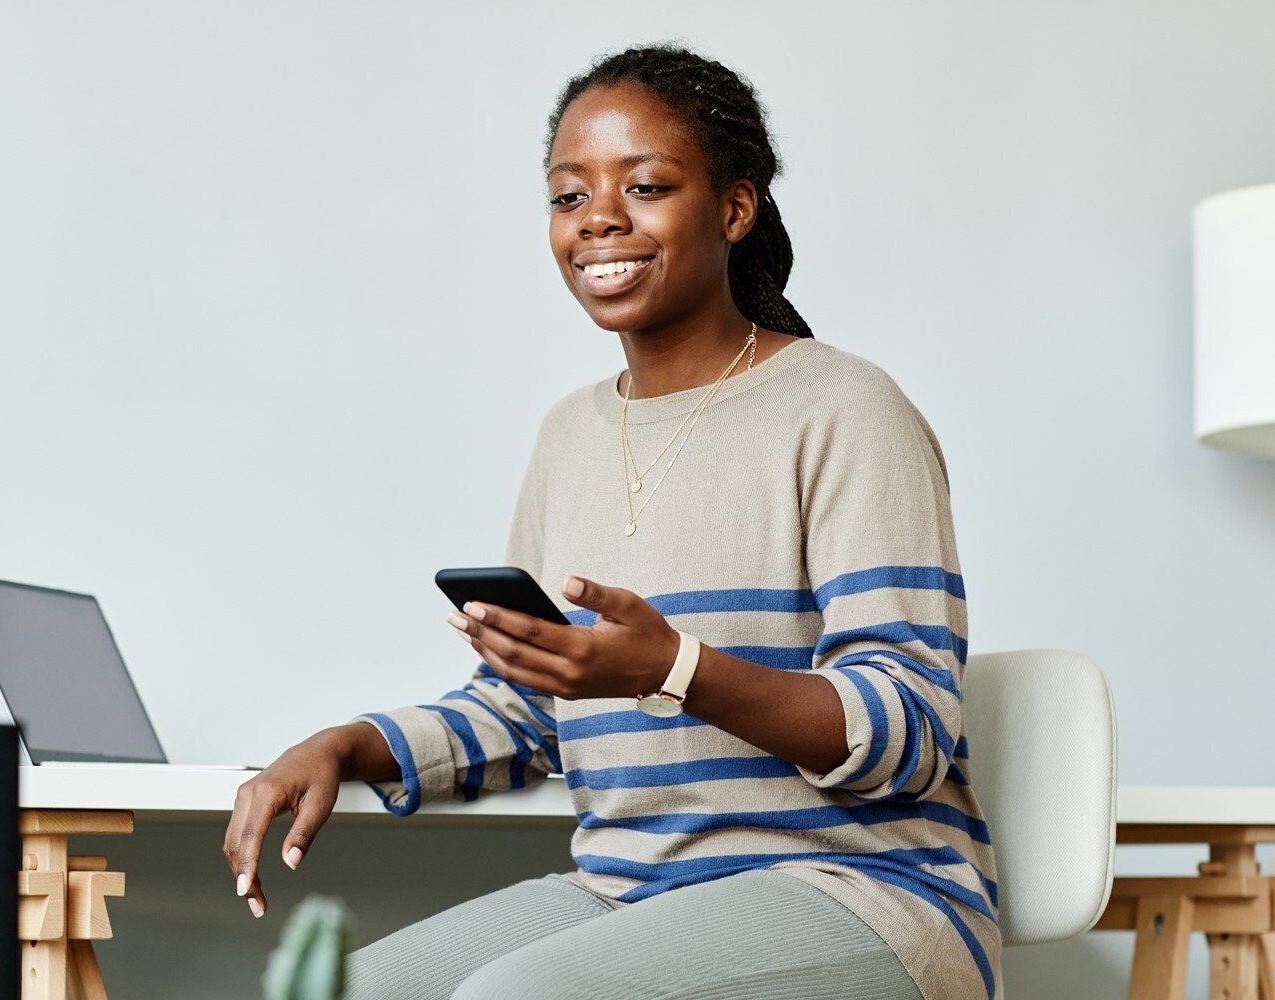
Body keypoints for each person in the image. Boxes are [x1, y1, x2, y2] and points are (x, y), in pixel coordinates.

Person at [221, 41, 998, 1000]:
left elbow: (912, 725)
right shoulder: (570, 434)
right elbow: (530, 709)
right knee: (343, 992)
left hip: (866, 891)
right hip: (632, 892)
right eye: (568, 196)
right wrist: (341, 746)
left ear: (734, 207)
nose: (600, 222)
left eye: (646, 186)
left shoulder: (846, 408)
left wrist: (673, 669)